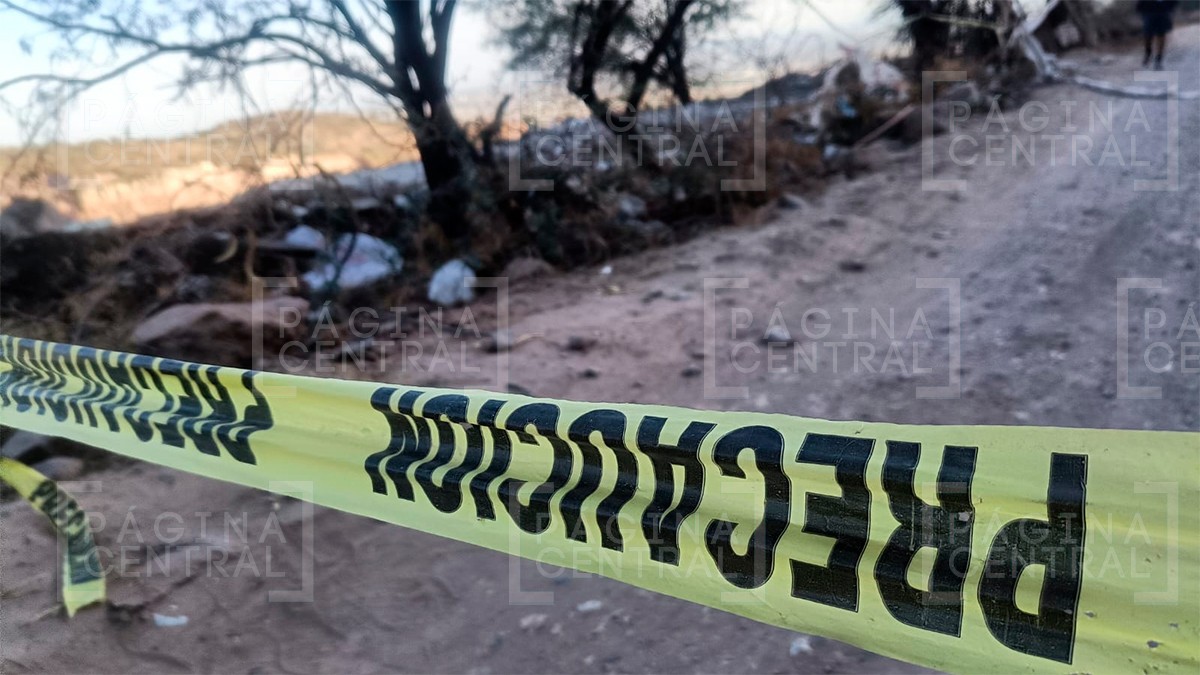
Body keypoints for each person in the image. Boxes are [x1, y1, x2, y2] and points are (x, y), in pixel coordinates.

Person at [1136, 0, 1180, 70]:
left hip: (1163, 12)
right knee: (1148, 36)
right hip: (1149, 12)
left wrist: (1169, 8)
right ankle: (1148, 53)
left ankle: (1158, 59)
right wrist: (1141, 9)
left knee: (1161, 36)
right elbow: (1139, 4)